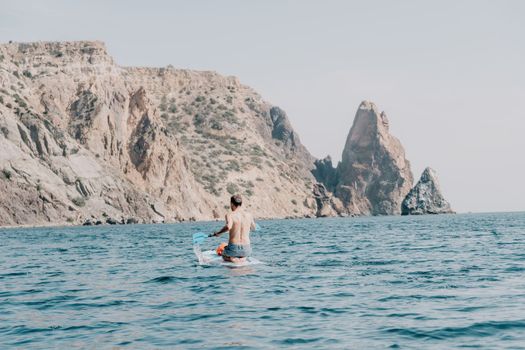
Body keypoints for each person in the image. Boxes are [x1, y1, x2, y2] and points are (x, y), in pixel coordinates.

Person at [211, 194, 256, 263]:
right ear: (241, 203)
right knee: (243, 253)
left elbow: (228, 226)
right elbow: (253, 228)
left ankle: (233, 259)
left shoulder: (230, 215)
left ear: (232, 204)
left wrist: (218, 233)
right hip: (247, 249)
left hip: (234, 248)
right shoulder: (249, 215)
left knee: (223, 254)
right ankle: (243, 258)